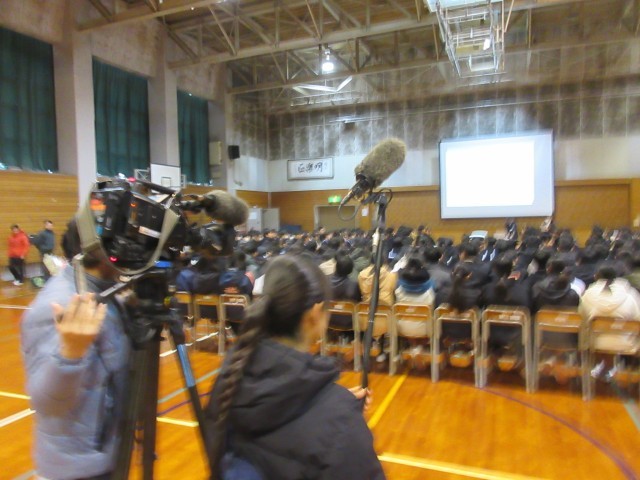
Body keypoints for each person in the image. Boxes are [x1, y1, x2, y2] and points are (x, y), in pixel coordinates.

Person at [204, 254, 385, 480]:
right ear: (315, 313)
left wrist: (331, 405)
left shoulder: (226, 380)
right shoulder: (340, 424)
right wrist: (339, 414)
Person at [20, 220, 131, 480]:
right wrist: (70, 353)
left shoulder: (104, 291)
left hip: (104, 454)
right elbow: (46, 404)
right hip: (77, 468)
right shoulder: (59, 304)